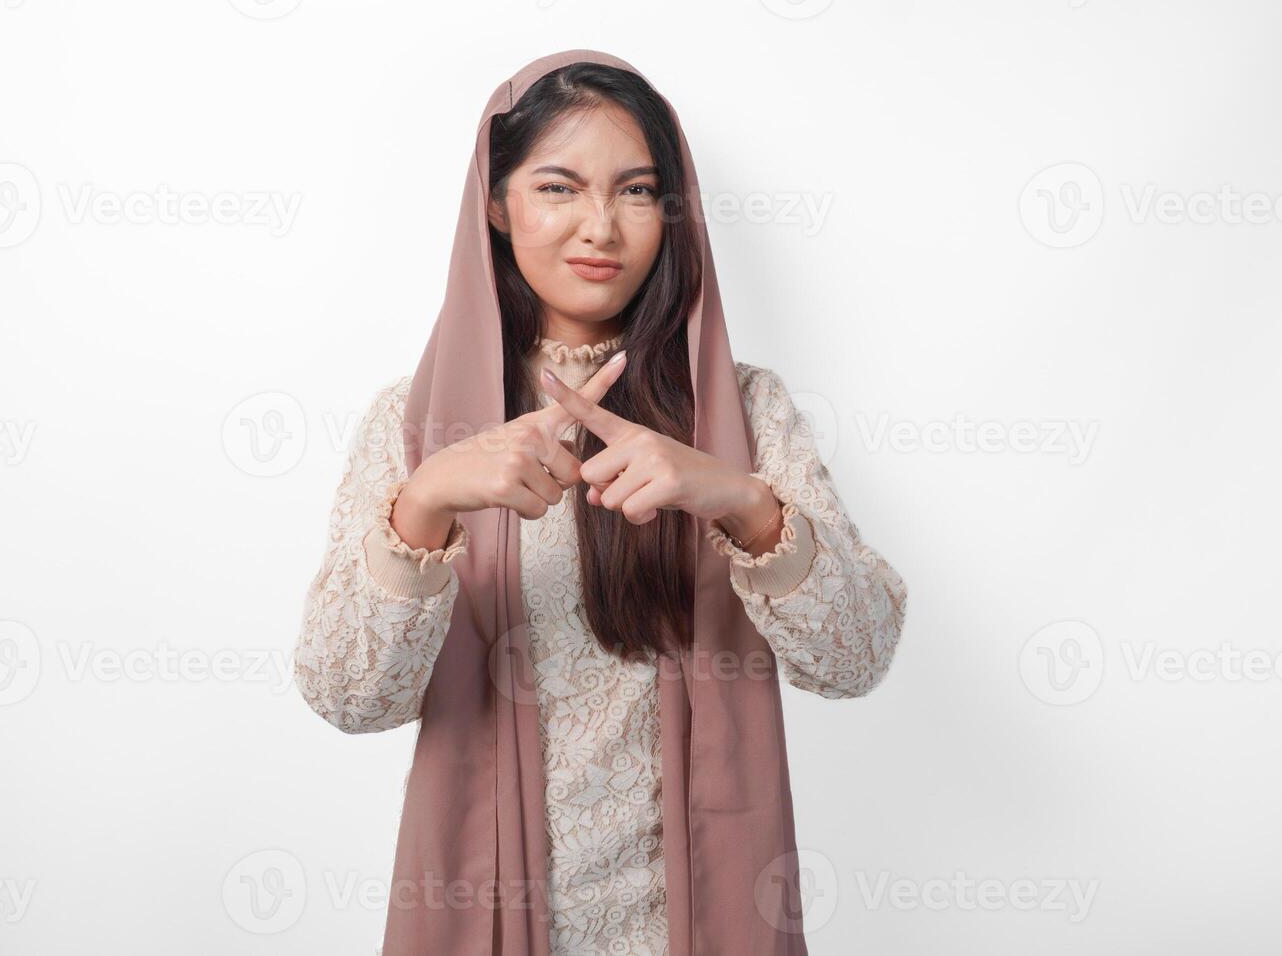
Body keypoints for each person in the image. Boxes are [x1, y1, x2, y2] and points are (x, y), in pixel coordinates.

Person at [293, 51, 908, 956]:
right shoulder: (417, 423)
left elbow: (856, 659)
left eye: (635, 190)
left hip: (697, 922)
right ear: (496, 205)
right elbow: (349, 697)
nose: (600, 227)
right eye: (558, 187)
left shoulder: (743, 412)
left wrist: (738, 500)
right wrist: (424, 504)